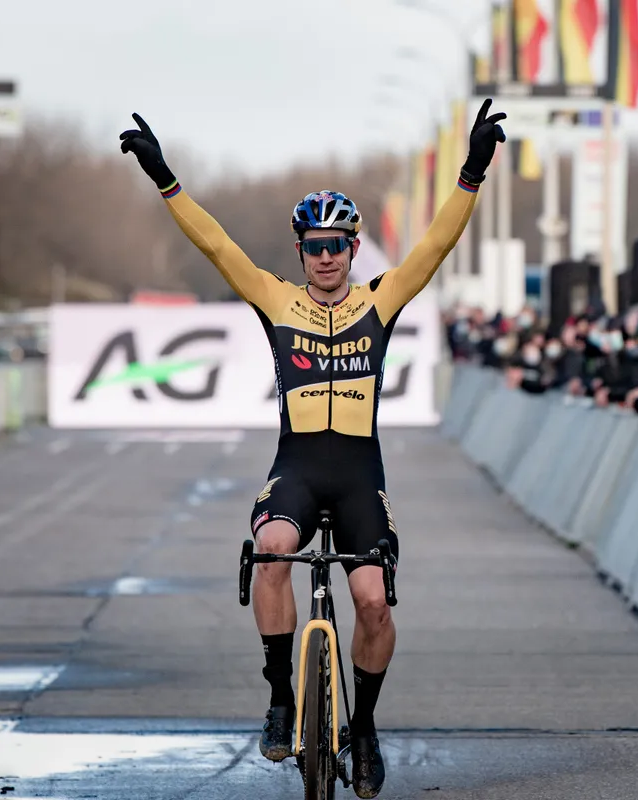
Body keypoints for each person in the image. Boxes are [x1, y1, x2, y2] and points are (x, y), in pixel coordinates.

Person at [120, 100, 507, 798]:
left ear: (355, 250)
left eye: (338, 245)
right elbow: (216, 246)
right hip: (297, 465)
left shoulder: (379, 302)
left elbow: (435, 246)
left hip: (359, 472)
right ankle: (278, 696)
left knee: (373, 603)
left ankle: (364, 730)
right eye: (314, 245)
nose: (326, 256)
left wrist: (473, 170)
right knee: (271, 551)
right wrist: (166, 179)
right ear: (300, 251)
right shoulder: (275, 301)